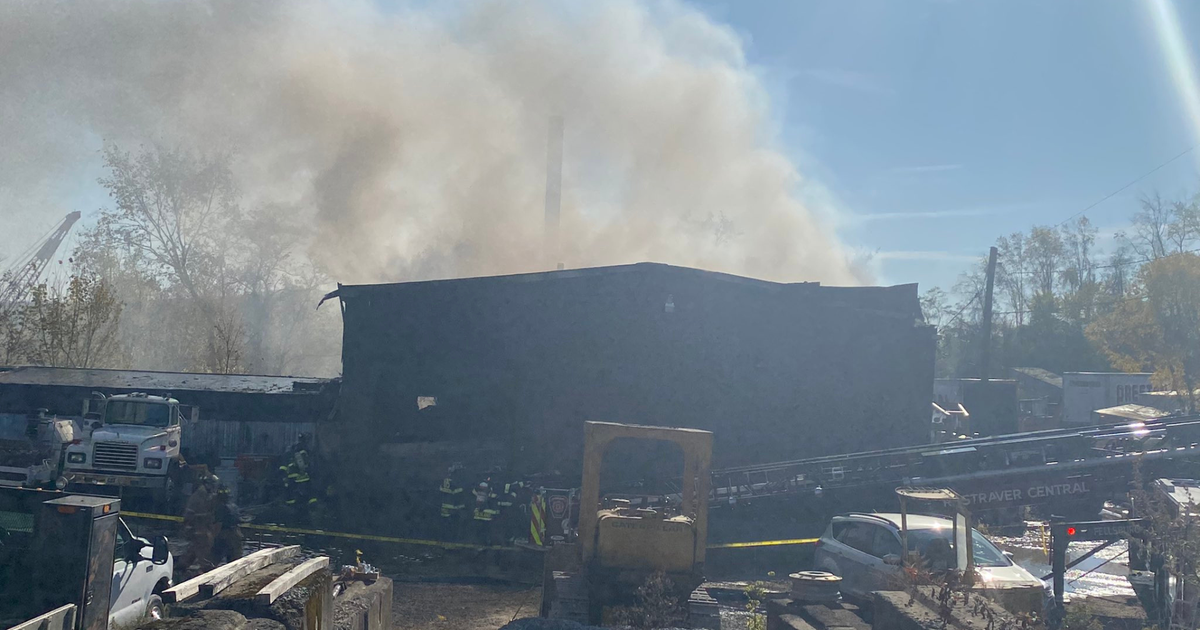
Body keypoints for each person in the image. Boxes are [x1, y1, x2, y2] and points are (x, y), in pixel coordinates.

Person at [178, 467, 219, 572]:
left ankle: (181, 567)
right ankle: (205, 569)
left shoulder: (207, 495)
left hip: (202, 527)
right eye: (213, 485)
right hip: (197, 527)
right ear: (207, 484)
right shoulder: (199, 496)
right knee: (202, 548)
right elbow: (190, 515)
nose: (214, 488)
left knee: (195, 549)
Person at [212, 485, 244, 563]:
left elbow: (218, 525)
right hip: (237, 534)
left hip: (225, 536)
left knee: (213, 559)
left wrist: (212, 538)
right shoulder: (234, 506)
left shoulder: (221, 508)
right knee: (235, 562)